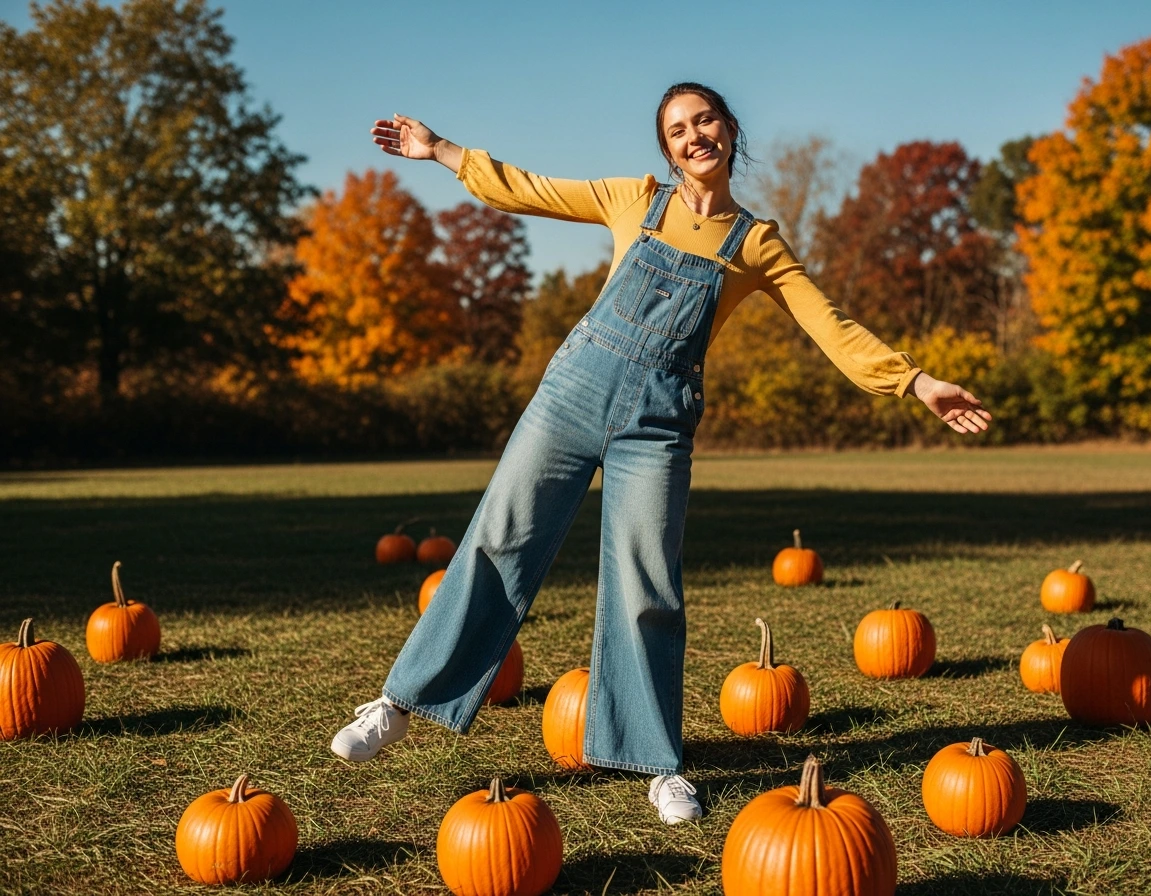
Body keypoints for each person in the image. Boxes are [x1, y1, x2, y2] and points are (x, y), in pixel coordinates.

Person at [331, 83, 992, 824]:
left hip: (659, 426)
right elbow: (530, 190)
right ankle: (399, 701)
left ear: (729, 130)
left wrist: (916, 381)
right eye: (677, 128)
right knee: (499, 538)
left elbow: (830, 326)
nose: (692, 135)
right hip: (570, 397)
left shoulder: (757, 243)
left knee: (649, 582)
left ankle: (657, 762)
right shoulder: (632, 199)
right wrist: (440, 151)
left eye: (704, 120)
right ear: (667, 148)